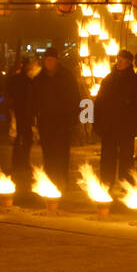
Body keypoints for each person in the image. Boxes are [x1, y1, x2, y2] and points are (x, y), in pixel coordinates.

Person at [31, 48, 81, 191]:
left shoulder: (66, 76)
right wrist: (34, 114)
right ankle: (50, 180)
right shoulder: (40, 77)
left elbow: (74, 97)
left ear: (56, 61)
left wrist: (73, 118)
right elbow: (34, 97)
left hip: (62, 121)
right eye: (46, 60)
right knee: (48, 152)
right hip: (46, 120)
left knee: (62, 152)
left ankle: (61, 181)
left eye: (51, 60)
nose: (48, 62)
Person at [94, 49, 137, 188]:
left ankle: (126, 185)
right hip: (108, 126)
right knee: (107, 157)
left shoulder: (135, 82)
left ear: (129, 63)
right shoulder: (109, 80)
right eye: (118, 60)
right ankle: (106, 183)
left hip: (126, 127)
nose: (119, 63)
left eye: (123, 61)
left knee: (126, 159)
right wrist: (97, 123)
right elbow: (99, 102)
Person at [6, 57, 36, 176]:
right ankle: (23, 161)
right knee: (26, 137)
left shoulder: (17, 79)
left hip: (20, 110)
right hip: (24, 111)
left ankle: (17, 162)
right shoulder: (29, 80)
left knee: (21, 136)